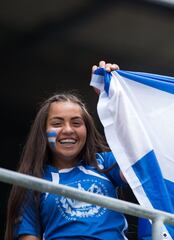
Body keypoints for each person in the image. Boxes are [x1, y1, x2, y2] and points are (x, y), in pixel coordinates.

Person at [5, 92, 128, 240]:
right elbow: (29, 236)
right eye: (57, 123)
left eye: (76, 123)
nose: (68, 130)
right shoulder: (34, 181)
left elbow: (142, 169)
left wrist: (116, 100)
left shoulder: (104, 162)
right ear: (43, 132)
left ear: (87, 130)